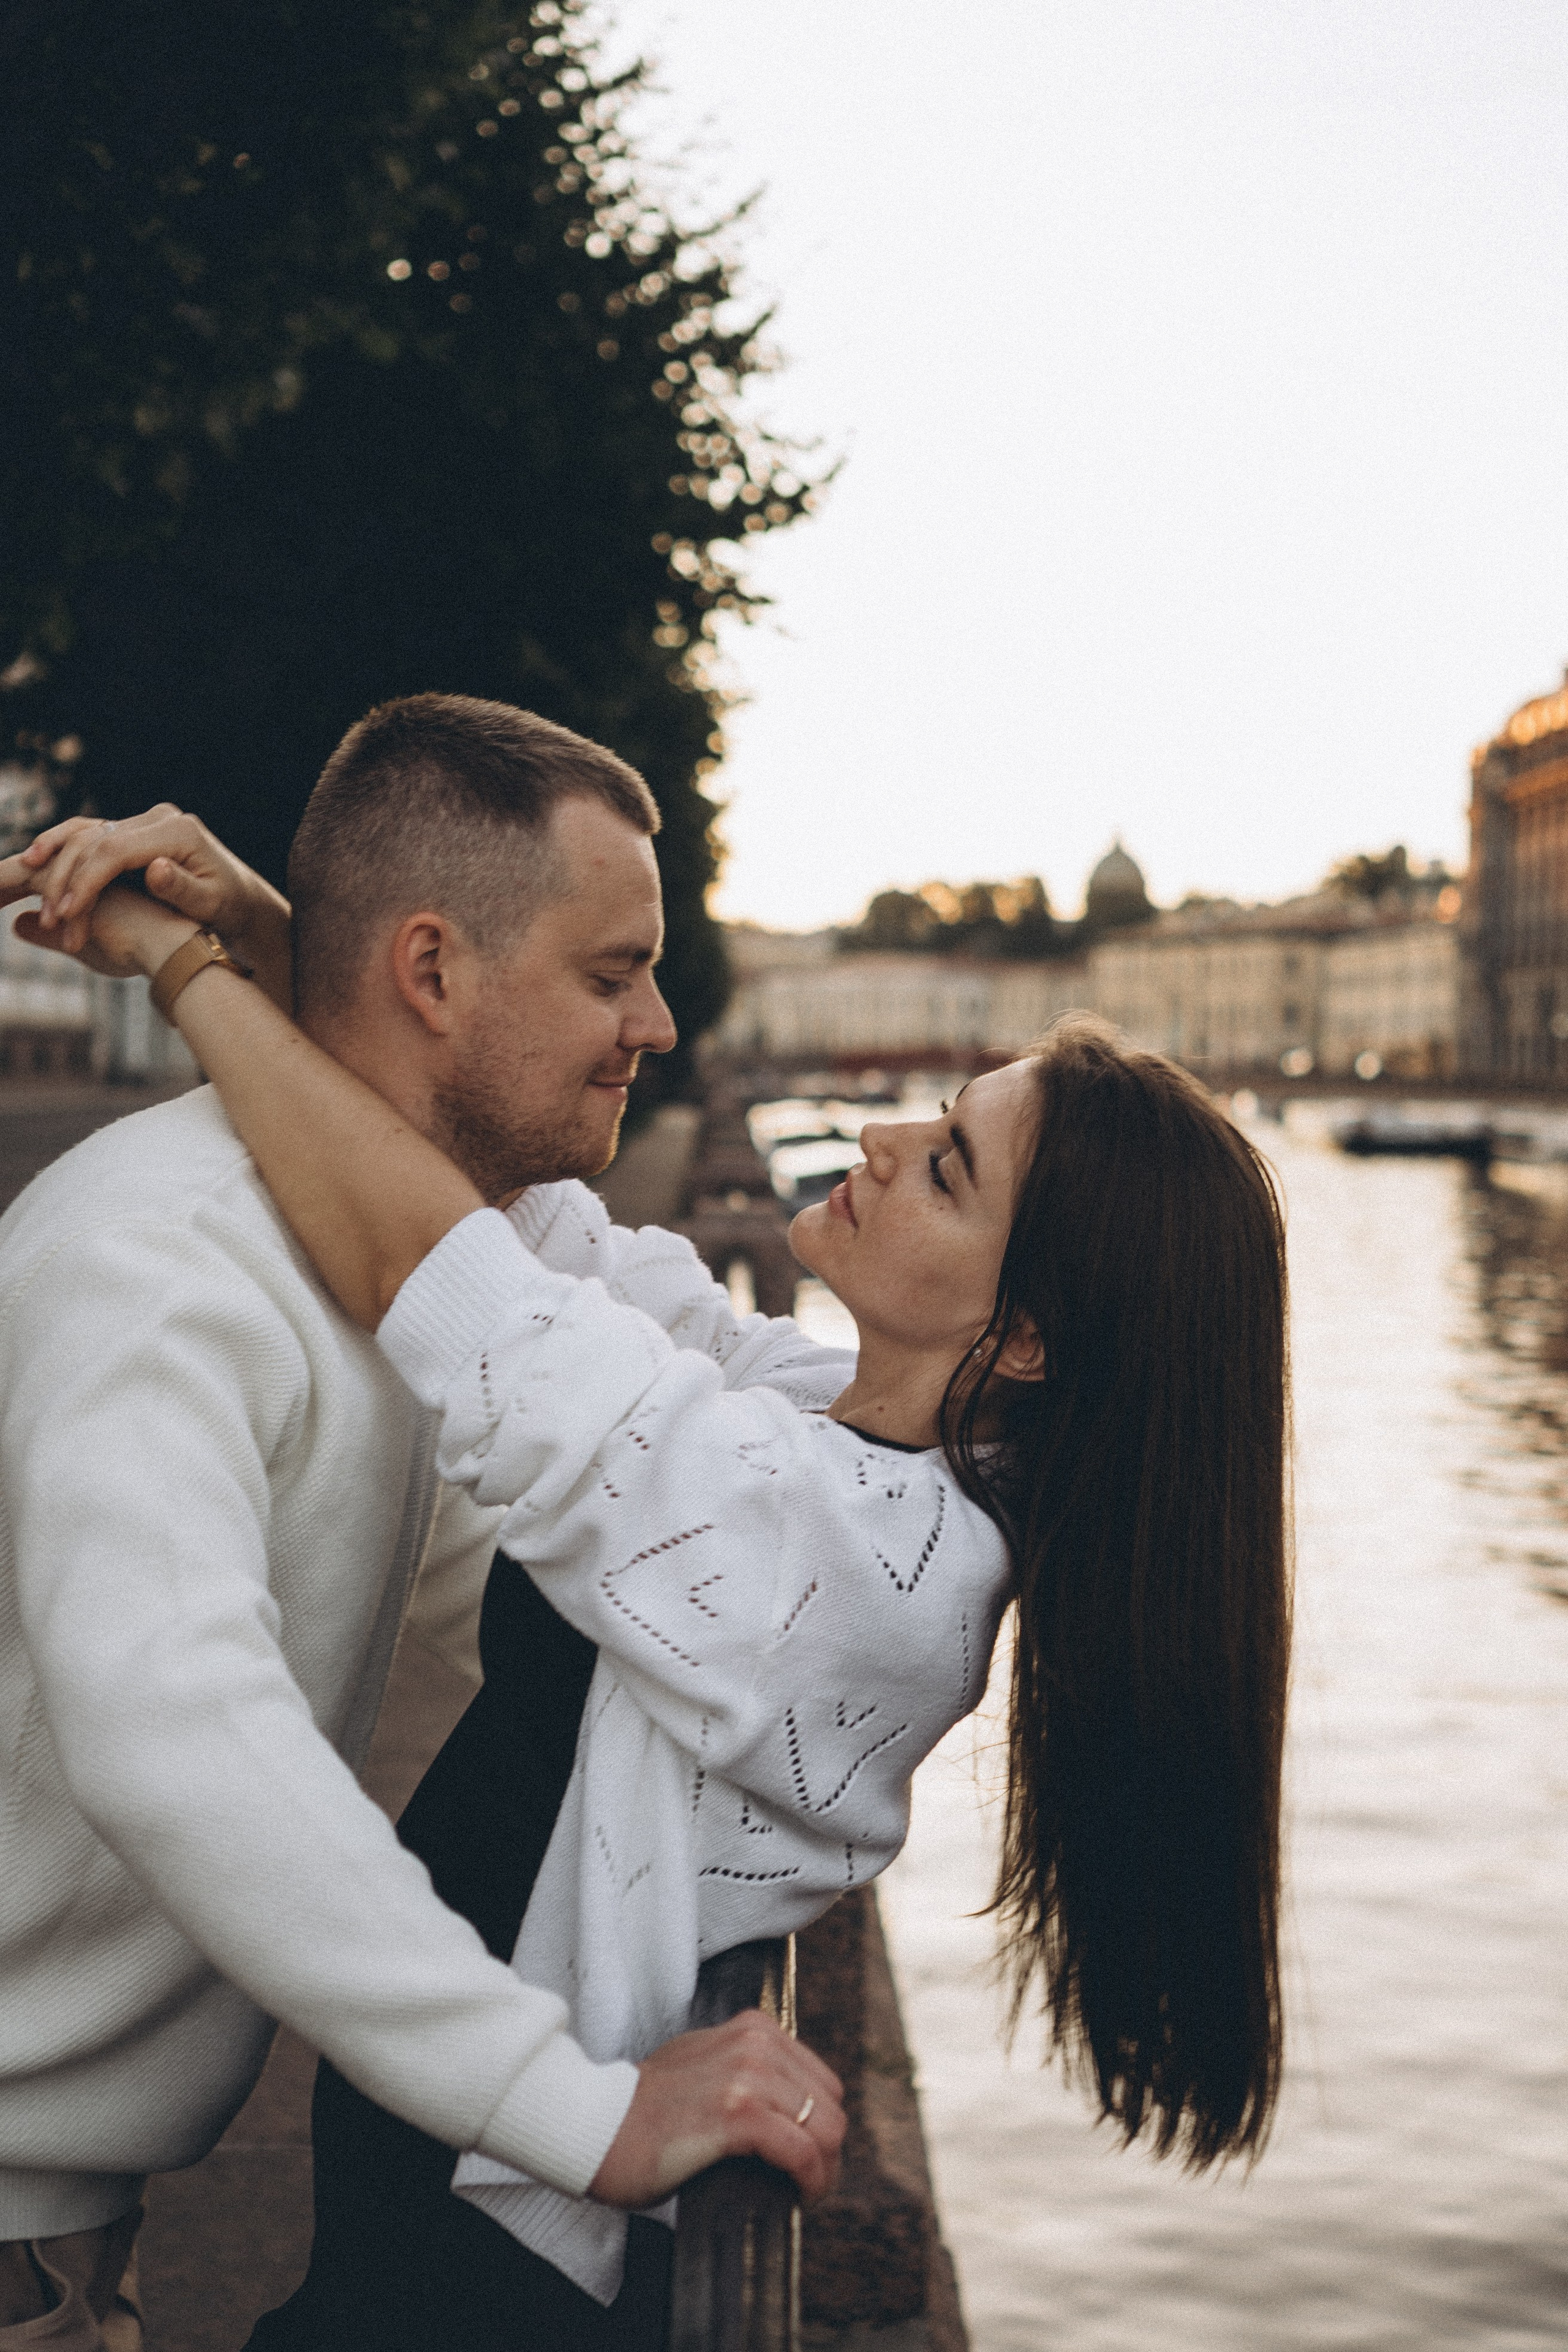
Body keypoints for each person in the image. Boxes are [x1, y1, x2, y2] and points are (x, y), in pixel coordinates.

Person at [29, 830, 1294, 2346]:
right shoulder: (835, 1426)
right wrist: (319, 961)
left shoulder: (857, 1555)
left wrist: (189, 975)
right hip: (457, 2191)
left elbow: (450, 1275)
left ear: (1021, 1338)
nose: (884, 1142)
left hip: (503, 2256)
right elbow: (534, 1234)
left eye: (946, 1168)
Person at [0, 700, 848, 2352]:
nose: (663, 1026)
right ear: (435, 972)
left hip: (63, 2210)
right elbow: (178, 1732)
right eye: (613, 973)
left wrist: (252, 945)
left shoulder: (422, 1271)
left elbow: (691, 1411)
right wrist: (573, 2109)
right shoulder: (159, 1267)